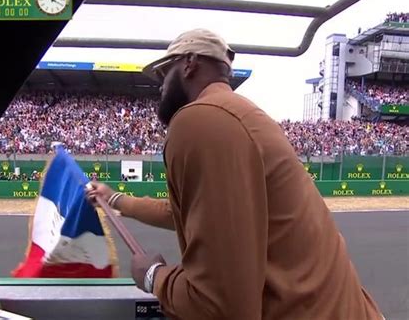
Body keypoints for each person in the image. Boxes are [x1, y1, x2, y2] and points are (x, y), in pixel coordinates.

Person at [85, 29, 383, 320]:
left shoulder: (201, 119)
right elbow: (186, 214)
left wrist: (153, 276)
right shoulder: (240, 113)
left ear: (189, 64)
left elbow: (219, 307)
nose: (160, 86)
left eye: (164, 72)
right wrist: (116, 199)